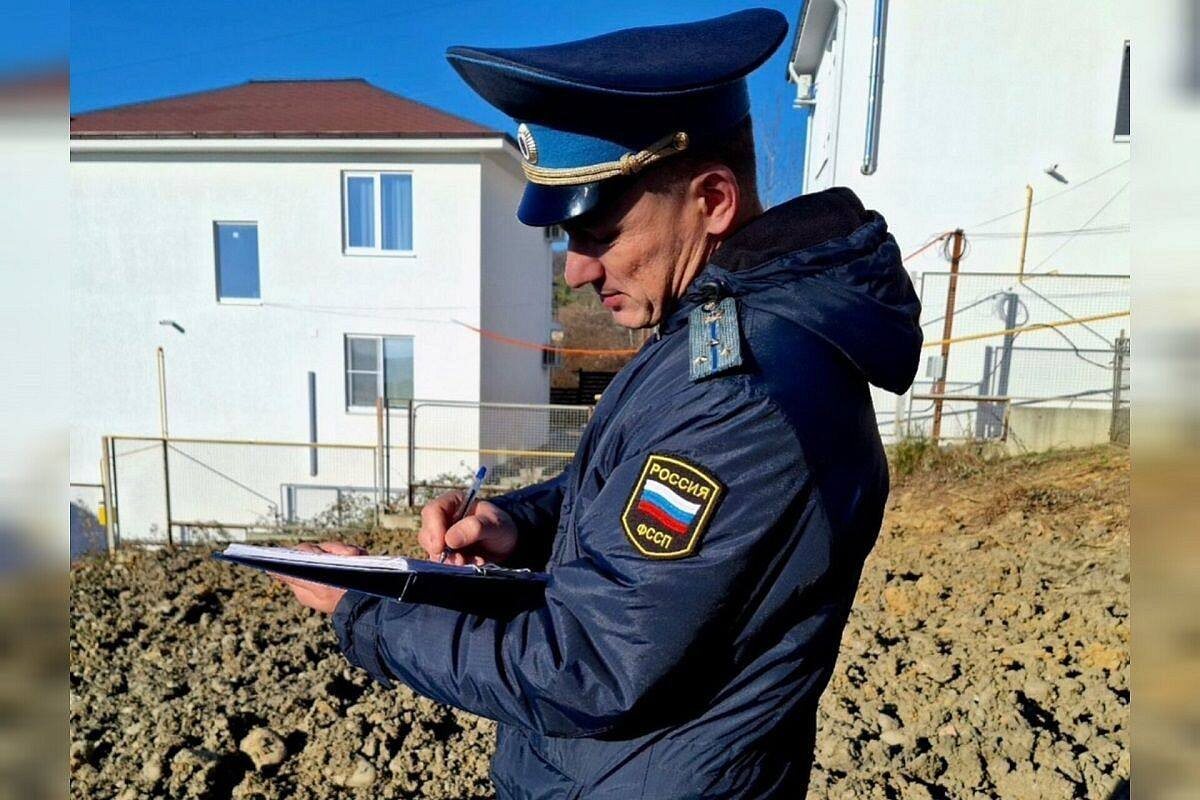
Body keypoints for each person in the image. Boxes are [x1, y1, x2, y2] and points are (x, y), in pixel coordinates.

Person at [275, 8, 923, 797]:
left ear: (713, 200)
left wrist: (365, 608)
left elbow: (585, 664)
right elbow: (635, 494)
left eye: (600, 231)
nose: (576, 271)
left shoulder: (742, 391)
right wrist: (519, 523)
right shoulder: (711, 336)